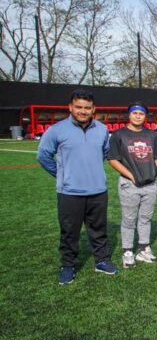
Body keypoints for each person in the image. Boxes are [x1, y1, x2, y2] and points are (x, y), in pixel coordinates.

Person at [37, 89, 117, 285]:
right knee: (69, 232)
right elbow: (43, 156)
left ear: (93, 109)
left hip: (98, 190)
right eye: (79, 107)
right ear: (70, 107)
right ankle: (68, 265)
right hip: (69, 192)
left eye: (87, 108)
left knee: (98, 229)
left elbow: (106, 153)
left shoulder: (101, 129)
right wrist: (63, 174)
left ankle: (101, 260)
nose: (83, 111)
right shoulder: (57, 130)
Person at [108, 102, 157, 268]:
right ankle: (127, 251)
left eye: (141, 113)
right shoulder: (119, 134)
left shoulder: (151, 135)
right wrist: (131, 176)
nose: (138, 116)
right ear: (129, 115)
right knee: (129, 219)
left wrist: (152, 173)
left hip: (149, 183)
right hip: (129, 184)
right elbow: (113, 160)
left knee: (146, 218)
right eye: (135, 113)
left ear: (145, 116)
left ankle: (144, 249)